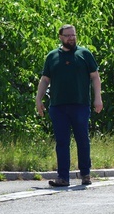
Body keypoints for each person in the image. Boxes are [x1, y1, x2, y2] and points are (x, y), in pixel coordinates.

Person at [36, 24, 103, 187]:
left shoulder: (84, 54)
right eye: (68, 35)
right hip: (58, 106)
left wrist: (98, 98)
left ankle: (85, 174)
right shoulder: (52, 56)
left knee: (82, 140)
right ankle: (63, 177)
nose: (71, 38)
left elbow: (95, 76)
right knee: (62, 142)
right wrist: (39, 99)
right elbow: (45, 79)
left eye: (73, 35)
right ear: (60, 37)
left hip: (80, 104)